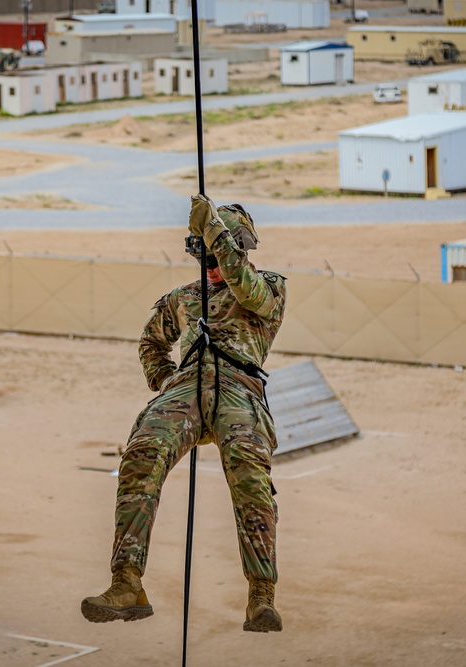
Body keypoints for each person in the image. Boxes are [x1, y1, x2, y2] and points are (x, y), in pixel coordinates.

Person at [81, 194, 287, 633]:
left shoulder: (268, 288)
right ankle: (126, 583)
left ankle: (261, 593)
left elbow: (244, 286)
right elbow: (151, 342)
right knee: (141, 454)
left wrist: (212, 229)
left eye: (218, 255)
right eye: (203, 256)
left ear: (239, 249)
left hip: (238, 389)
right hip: (186, 389)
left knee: (249, 473)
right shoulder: (183, 298)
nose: (210, 266)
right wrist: (165, 383)